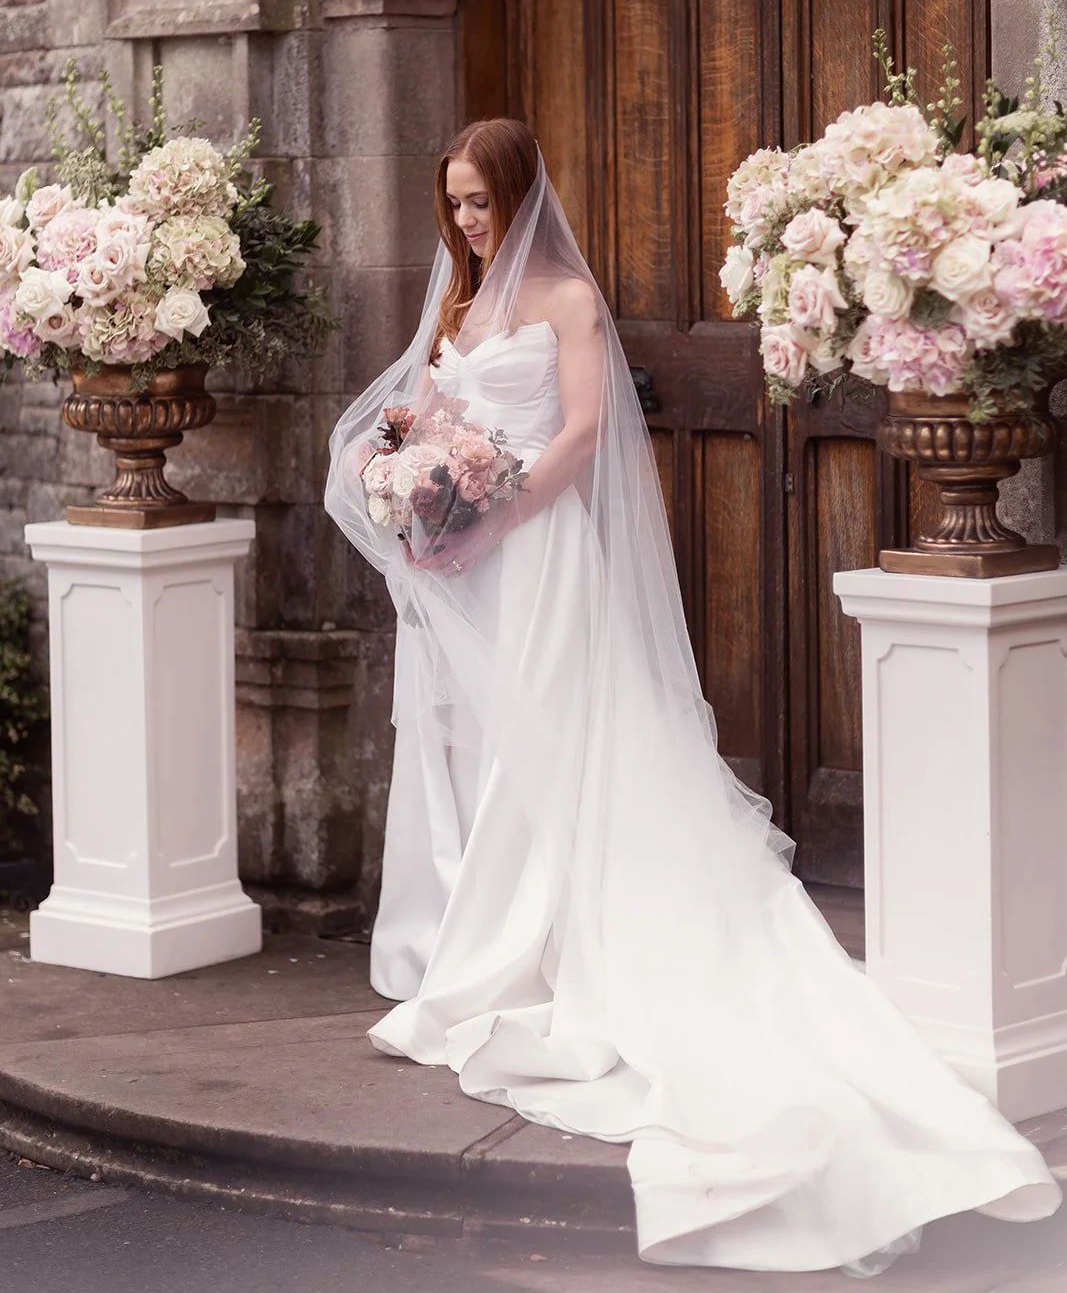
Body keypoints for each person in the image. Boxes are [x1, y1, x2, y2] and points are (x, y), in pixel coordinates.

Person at [325, 118, 1061, 1275]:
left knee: (553, 746)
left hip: (537, 551)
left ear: (520, 194)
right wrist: (412, 472)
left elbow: (578, 433)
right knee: (476, 746)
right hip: (464, 562)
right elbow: (428, 413)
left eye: (481, 202)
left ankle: (546, 944)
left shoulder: (566, 298)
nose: (467, 223)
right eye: (453, 205)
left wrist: (496, 511)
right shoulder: (458, 310)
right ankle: (493, 933)